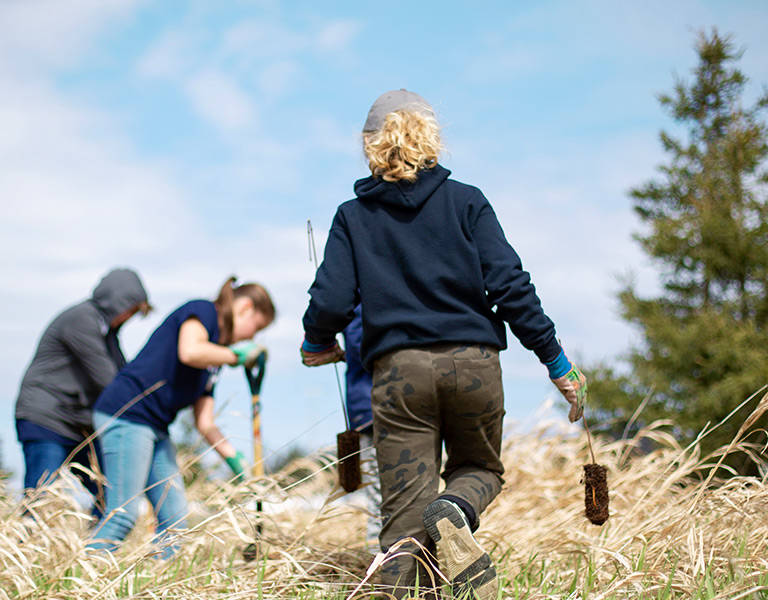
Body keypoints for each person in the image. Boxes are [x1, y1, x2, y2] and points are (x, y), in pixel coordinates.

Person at [300, 90, 588, 599]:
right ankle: (457, 510)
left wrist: (317, 342)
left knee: (402, 526)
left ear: (370, 145)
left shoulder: (353, 216)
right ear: (432, 138)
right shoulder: (468, 201)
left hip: (400, 375)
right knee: (478, 470)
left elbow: (331, 298)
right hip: (474, 364)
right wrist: (556, 362)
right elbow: (511, 287)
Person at [88, 277, 275, 555]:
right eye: (256, 328)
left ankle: (159, 586)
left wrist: (239, 465)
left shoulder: (215, 360)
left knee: (174, 519)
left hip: (155, 427)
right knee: (124, 512)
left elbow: (205, 422)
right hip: (127, 414)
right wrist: (235, 356)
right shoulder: (202, 312)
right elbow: (189, 351)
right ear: (245, 307)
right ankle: (82, 579)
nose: (251, 338)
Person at [15, 268, 151, 515]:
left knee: (109, 492)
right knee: (40, 498)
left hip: (79, 426)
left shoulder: (107, 334)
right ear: (116, 300)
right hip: (48, 418)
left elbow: (125, 374)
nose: (128, 318)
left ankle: (93, 549)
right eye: (129, 310)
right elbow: (108, 380)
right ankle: (23, 548)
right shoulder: (81, 319)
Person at [342, 305, 381, 550]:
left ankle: (385, 564)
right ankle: (380, 566)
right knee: (380, 494)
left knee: (384, 496)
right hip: (371, 407)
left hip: (373, 404)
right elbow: (361, 342)